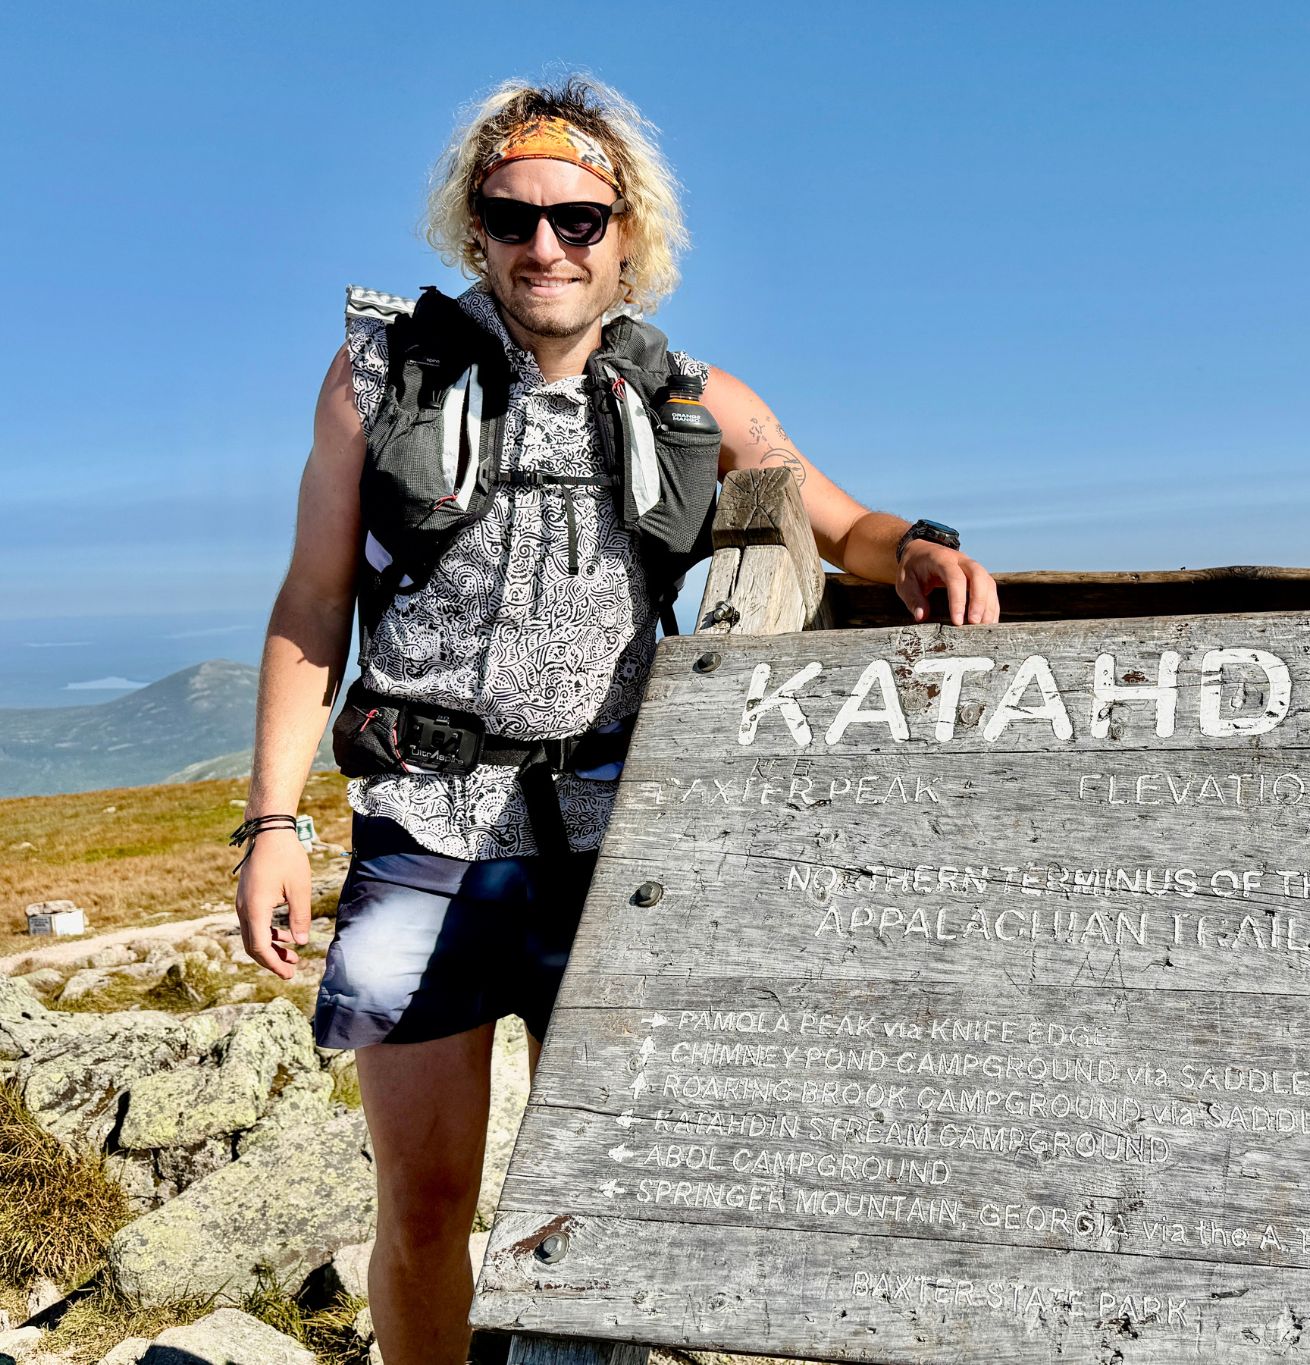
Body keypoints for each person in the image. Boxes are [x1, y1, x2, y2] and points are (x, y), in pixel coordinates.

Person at [234, 76, 999, 1365]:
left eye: (579, 220)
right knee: (424, 1212)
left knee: (609, 1197)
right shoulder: (379, 377)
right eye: (513, 216)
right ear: (472, 228)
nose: (547, 246)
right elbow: (313, 600)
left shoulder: (695, 399)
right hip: (422, 833)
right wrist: (271, 822)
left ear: (628, 234)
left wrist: (918, 548)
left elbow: (840, 524)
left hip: (620, 851)